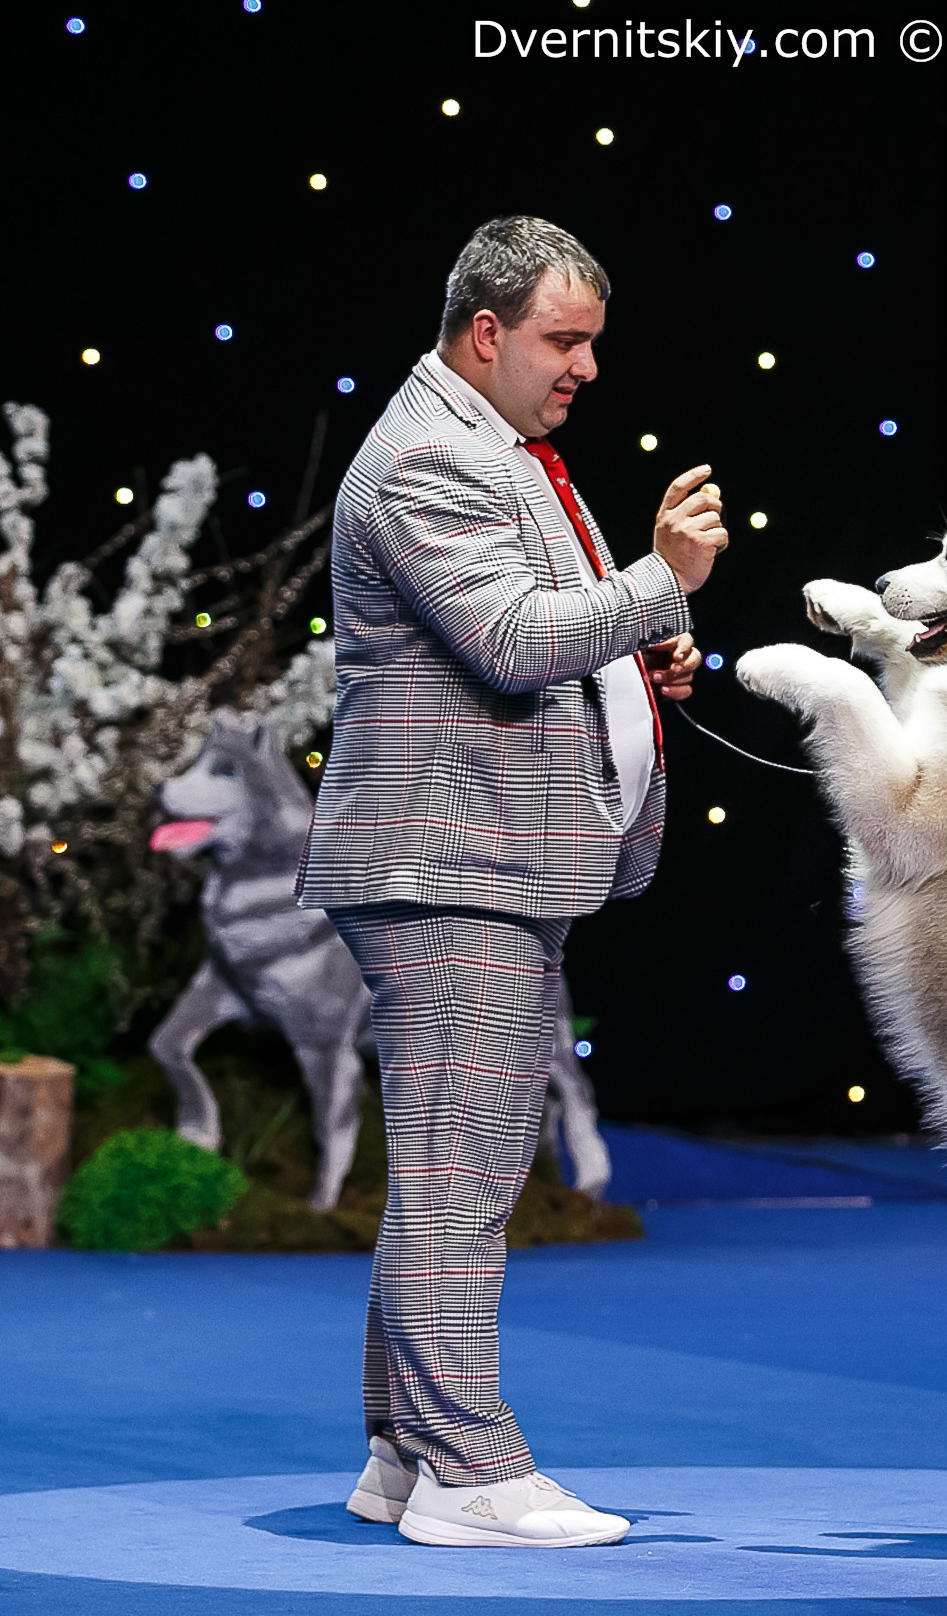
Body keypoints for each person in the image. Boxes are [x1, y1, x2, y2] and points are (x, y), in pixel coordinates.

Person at [294, 216, 727, 1549]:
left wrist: (642, 647)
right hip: (445, 860)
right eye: (563, 338)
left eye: (591, 338)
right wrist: (663, 582)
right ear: (484, 331)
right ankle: (472, 1470)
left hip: (481, 854)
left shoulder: (501, 449)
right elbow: (509, 633)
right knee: (460, 1176)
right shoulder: (428, 454)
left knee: (447, 1167)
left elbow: (553, 630)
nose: (585, 365)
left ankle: (400, 1455)